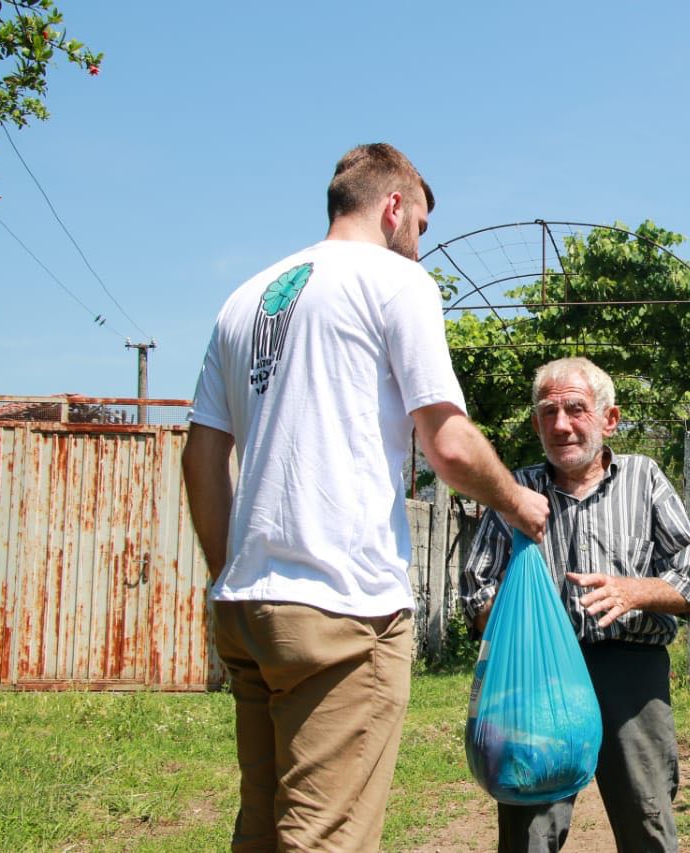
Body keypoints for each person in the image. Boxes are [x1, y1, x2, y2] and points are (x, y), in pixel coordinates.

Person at [182, 142, 549, 853]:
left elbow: (201, 453)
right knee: (327, 837)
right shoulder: (395, 280)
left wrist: (229, 570)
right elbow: (448, 444)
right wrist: (515, 501)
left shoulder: (245, 297)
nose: (420, 245)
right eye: (421, 226)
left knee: (262, 824)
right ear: (393, 207)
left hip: (249, 610)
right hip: (342, 608)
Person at [460, 356, 690, 853]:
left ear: (608, 418)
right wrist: (532, 621)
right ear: (535, 424)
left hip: (629, 670)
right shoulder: (516, 491)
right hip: (536, 679)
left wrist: (633, 591)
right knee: (529, 827)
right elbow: (476, 591)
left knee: (647, 818)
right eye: (547, 413)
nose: (561, 425)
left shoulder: (644, 480)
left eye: (576, 409)